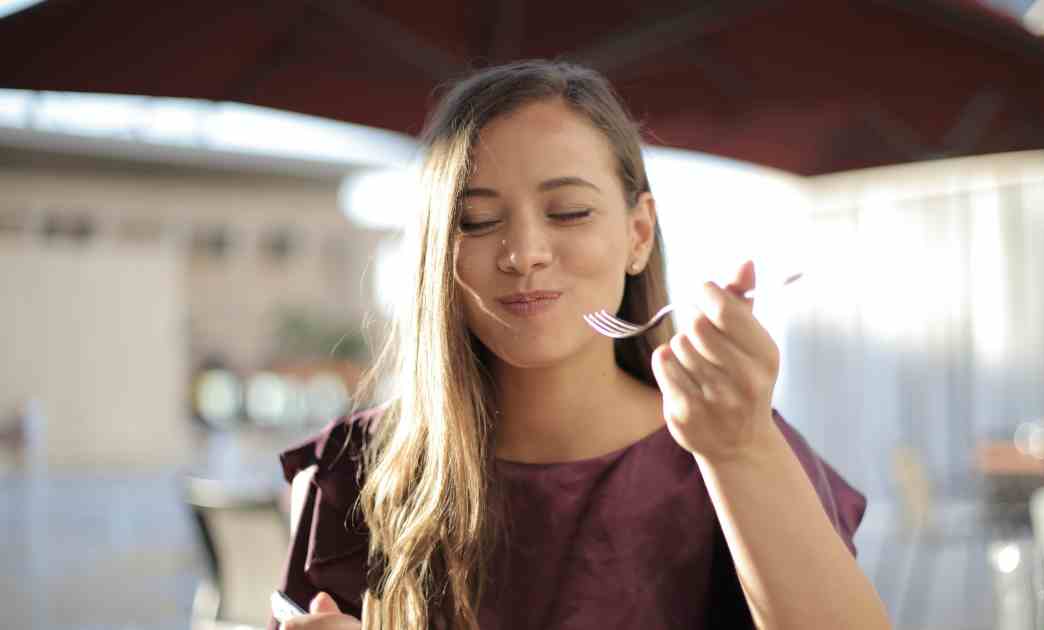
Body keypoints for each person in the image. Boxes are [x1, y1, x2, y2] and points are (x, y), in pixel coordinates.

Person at [270, 59, 890, 630]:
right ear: (438, 253)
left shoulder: (734, 447)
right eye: (478, 221)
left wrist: (741, 449)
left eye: (568, 212)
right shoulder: (353, 473)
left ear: (639, 234)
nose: (525, 254)